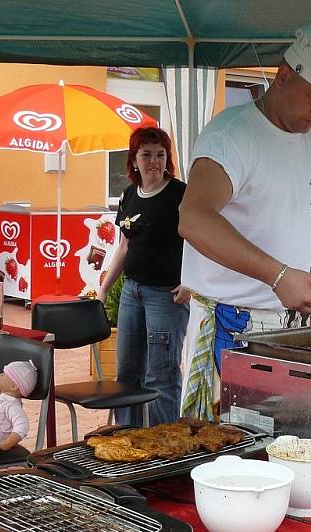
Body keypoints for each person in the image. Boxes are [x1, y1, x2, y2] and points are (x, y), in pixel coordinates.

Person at [178, 26, 311, 420]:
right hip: (230, 323)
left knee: (288, 442)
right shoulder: (230, 136)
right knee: (227, 451)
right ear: (284, 75)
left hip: (292, 327)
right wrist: (278, 276)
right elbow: (193, 218)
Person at [98, 127, 190, 425]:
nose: (154, 161)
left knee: (160, 374)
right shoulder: (128, 196)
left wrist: (191, 281)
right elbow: (124, 247)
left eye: (160, 154)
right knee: (128, 371)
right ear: (134, 160)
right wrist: (103, 288)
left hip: (166, 296)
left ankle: (164, 439)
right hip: (132, 292)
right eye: (146, 154)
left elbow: (201, 242)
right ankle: (128, 434)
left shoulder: (180, 194)